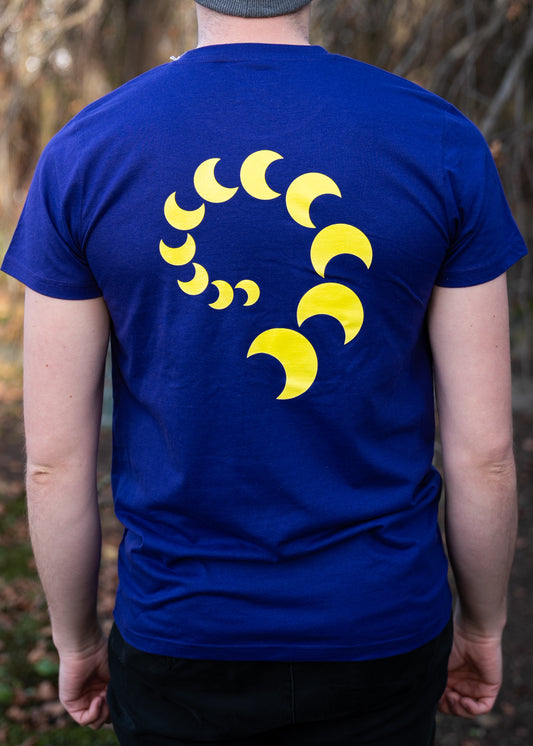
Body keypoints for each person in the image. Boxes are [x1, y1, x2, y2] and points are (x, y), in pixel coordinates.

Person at [1, 0, 527, 743]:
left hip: (181, 632)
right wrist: (481, 624)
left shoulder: (86, 153)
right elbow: (486, 456)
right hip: (380, 628)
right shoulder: (439, 141)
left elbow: (53, 464)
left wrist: (77, 639)